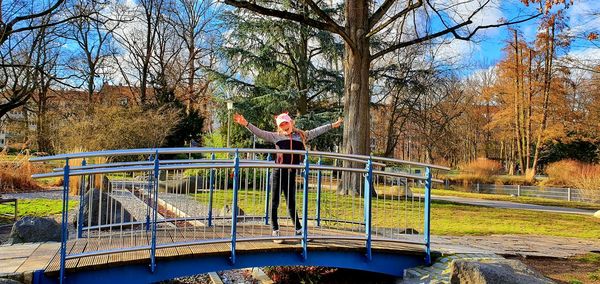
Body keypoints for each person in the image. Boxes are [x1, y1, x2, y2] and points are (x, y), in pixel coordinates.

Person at [233, 112, 343, 243]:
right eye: (282, 124)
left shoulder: (301, 135)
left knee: (291, 202)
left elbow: (316, 131)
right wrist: (246, 124)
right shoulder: (276, 136)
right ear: (279, 127)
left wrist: (332, 125)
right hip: (278, 172)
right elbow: (260, 132)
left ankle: (298, 230)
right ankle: (275, 230)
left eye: (286, 123)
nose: (285, 126)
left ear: (291, 122)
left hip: (291, 173)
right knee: (275, 202)